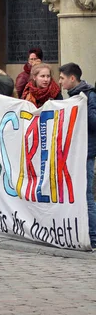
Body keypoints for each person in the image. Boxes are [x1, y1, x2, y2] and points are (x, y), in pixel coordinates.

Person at [58, 62, 96, 249]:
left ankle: (94, 236)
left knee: (87, 194)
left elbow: (94, 122)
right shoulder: (73, 97)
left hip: (86, 152)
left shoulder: (89, 95)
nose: (60, 82)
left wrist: (82, 109)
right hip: (74, 152)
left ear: (72, 78)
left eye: (63, 78)